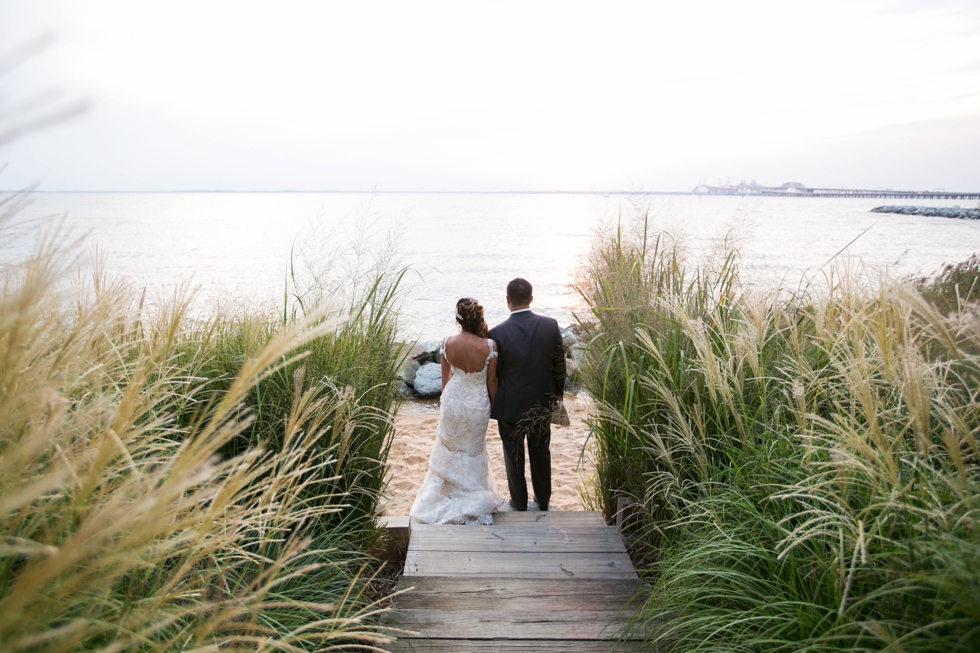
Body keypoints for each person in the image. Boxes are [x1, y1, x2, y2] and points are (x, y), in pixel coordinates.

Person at [409, 298, 506, 525]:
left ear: (458, 320)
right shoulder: (490, 346)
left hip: (453, 400)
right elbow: (492, 382)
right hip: (476, 403)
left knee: (449, 448)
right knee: (473, 449)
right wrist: (493, 403)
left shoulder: (446, 343)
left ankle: (444, 493)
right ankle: (473, 491)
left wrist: (448, 402)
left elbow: (446, 381)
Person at [488, 278, 565, 511]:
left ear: (507, 301)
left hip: (510, 404)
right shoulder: (550, 325)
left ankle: (519, 503)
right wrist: (557, 397)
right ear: (531, 298)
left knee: (513, 454)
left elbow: (494, 374)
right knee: (541, 451)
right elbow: (559, 366)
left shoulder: (496, 333)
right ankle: (543, 502)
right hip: (542, 402)